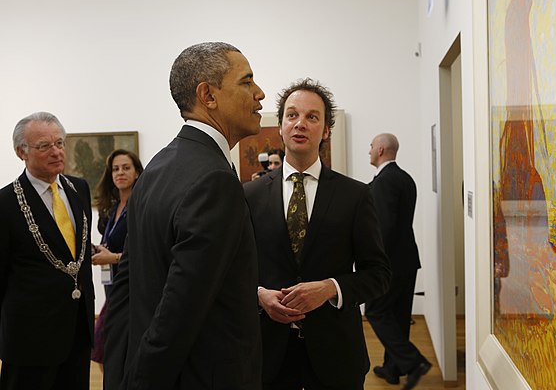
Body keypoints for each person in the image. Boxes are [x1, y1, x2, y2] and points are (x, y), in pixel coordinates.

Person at [103, 42, 265, 390]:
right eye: (247, 82)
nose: (260, 93)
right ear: (208, 95)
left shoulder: (160, 165)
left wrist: (122, 373)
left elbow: (127, 290)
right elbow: (180, 311)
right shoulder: (214, 179)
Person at [244, 78, 391, 389]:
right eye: (292, 115)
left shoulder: (356, 196)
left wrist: (329, 288)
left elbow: (378, 274)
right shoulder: (249, 195)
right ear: (281, 126)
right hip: (268, 354)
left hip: (335, 355)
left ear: (325, 130)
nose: (301, 124)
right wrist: (259, 295)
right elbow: (233, 269)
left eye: (312, 117)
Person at [0, 111, 95, 389]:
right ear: (22, 152)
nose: (56, 152)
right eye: (44, 146)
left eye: (60, 143)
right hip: (30, 340)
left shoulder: (79, 189)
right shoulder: (5, 204)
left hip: (77, 330)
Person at [364, 133, 431, 390]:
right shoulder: (405, 178)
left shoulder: (384, 182)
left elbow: (384, 228)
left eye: (371, 147)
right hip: (408, 260)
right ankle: (392, 369)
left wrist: (373, 262)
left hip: (390, 263)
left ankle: (413, 362)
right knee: (399, 316)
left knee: (376, 311)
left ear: (381, 150)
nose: (369, 151)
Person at [90, 149, 143, 371]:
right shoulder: (111, 210)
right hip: (112, 288)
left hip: (134, 290)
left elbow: (144, 251)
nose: (120, 173)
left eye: (126, 168)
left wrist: (112, 257)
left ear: (138, 173)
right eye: (115, 169)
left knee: (115, 354)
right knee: (106, 356)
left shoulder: (142, 206)